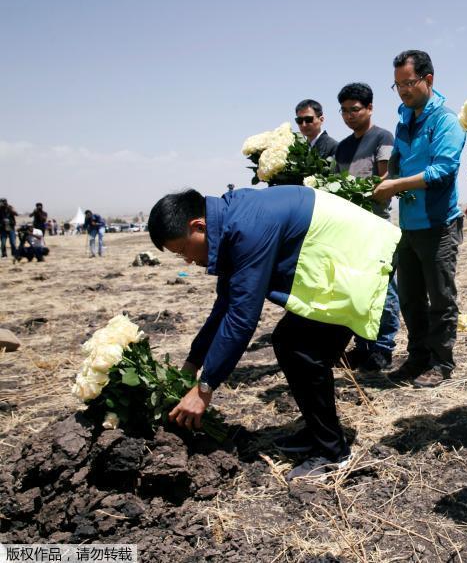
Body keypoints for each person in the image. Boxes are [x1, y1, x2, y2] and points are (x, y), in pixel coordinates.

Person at [148, 186, 400, 480]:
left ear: (199, 226)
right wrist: (193, 363)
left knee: (302, 349)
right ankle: (319, 432)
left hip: (360, 257)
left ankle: (333, 453)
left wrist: (205, 388)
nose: (187, 261)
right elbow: (225, 305)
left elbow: (242, 318)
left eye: (182, 251)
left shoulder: (245, 228)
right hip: (341, 258)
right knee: (291, 343)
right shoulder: (232, 222)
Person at [372, 50, 466, 384]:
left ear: (428, 79)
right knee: (411, 299)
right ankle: (417, 358)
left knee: (440, 298)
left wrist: (395, 184)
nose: (403, 91)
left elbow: (442, 170)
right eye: (397, 85)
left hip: (438, 224)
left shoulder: (446, 121)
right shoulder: (404, 119)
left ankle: (442, 363)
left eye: (408, 83)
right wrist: (385, 181)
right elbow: (396, 160)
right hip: (408, 226)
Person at [334, 82, 401, 372]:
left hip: (376, 227)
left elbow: (384, 181)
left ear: (370, 108)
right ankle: (362, 346)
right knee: (356, 289)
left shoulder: (382, 138)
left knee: (383, 289)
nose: (349, 115)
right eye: (345, 111)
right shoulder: (343, 148)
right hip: (350, 230)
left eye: (355, 109)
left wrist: (356, 191)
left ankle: (383, 347)